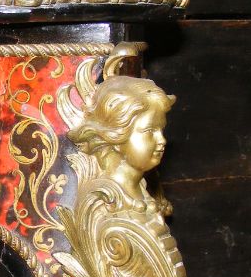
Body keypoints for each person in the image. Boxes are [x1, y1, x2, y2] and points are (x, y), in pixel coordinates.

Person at [68, 76, 175, 204]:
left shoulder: (139, 192)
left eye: (161, 130)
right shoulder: (108, 203)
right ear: (116, 135)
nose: (162, 140)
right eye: (150, 130)